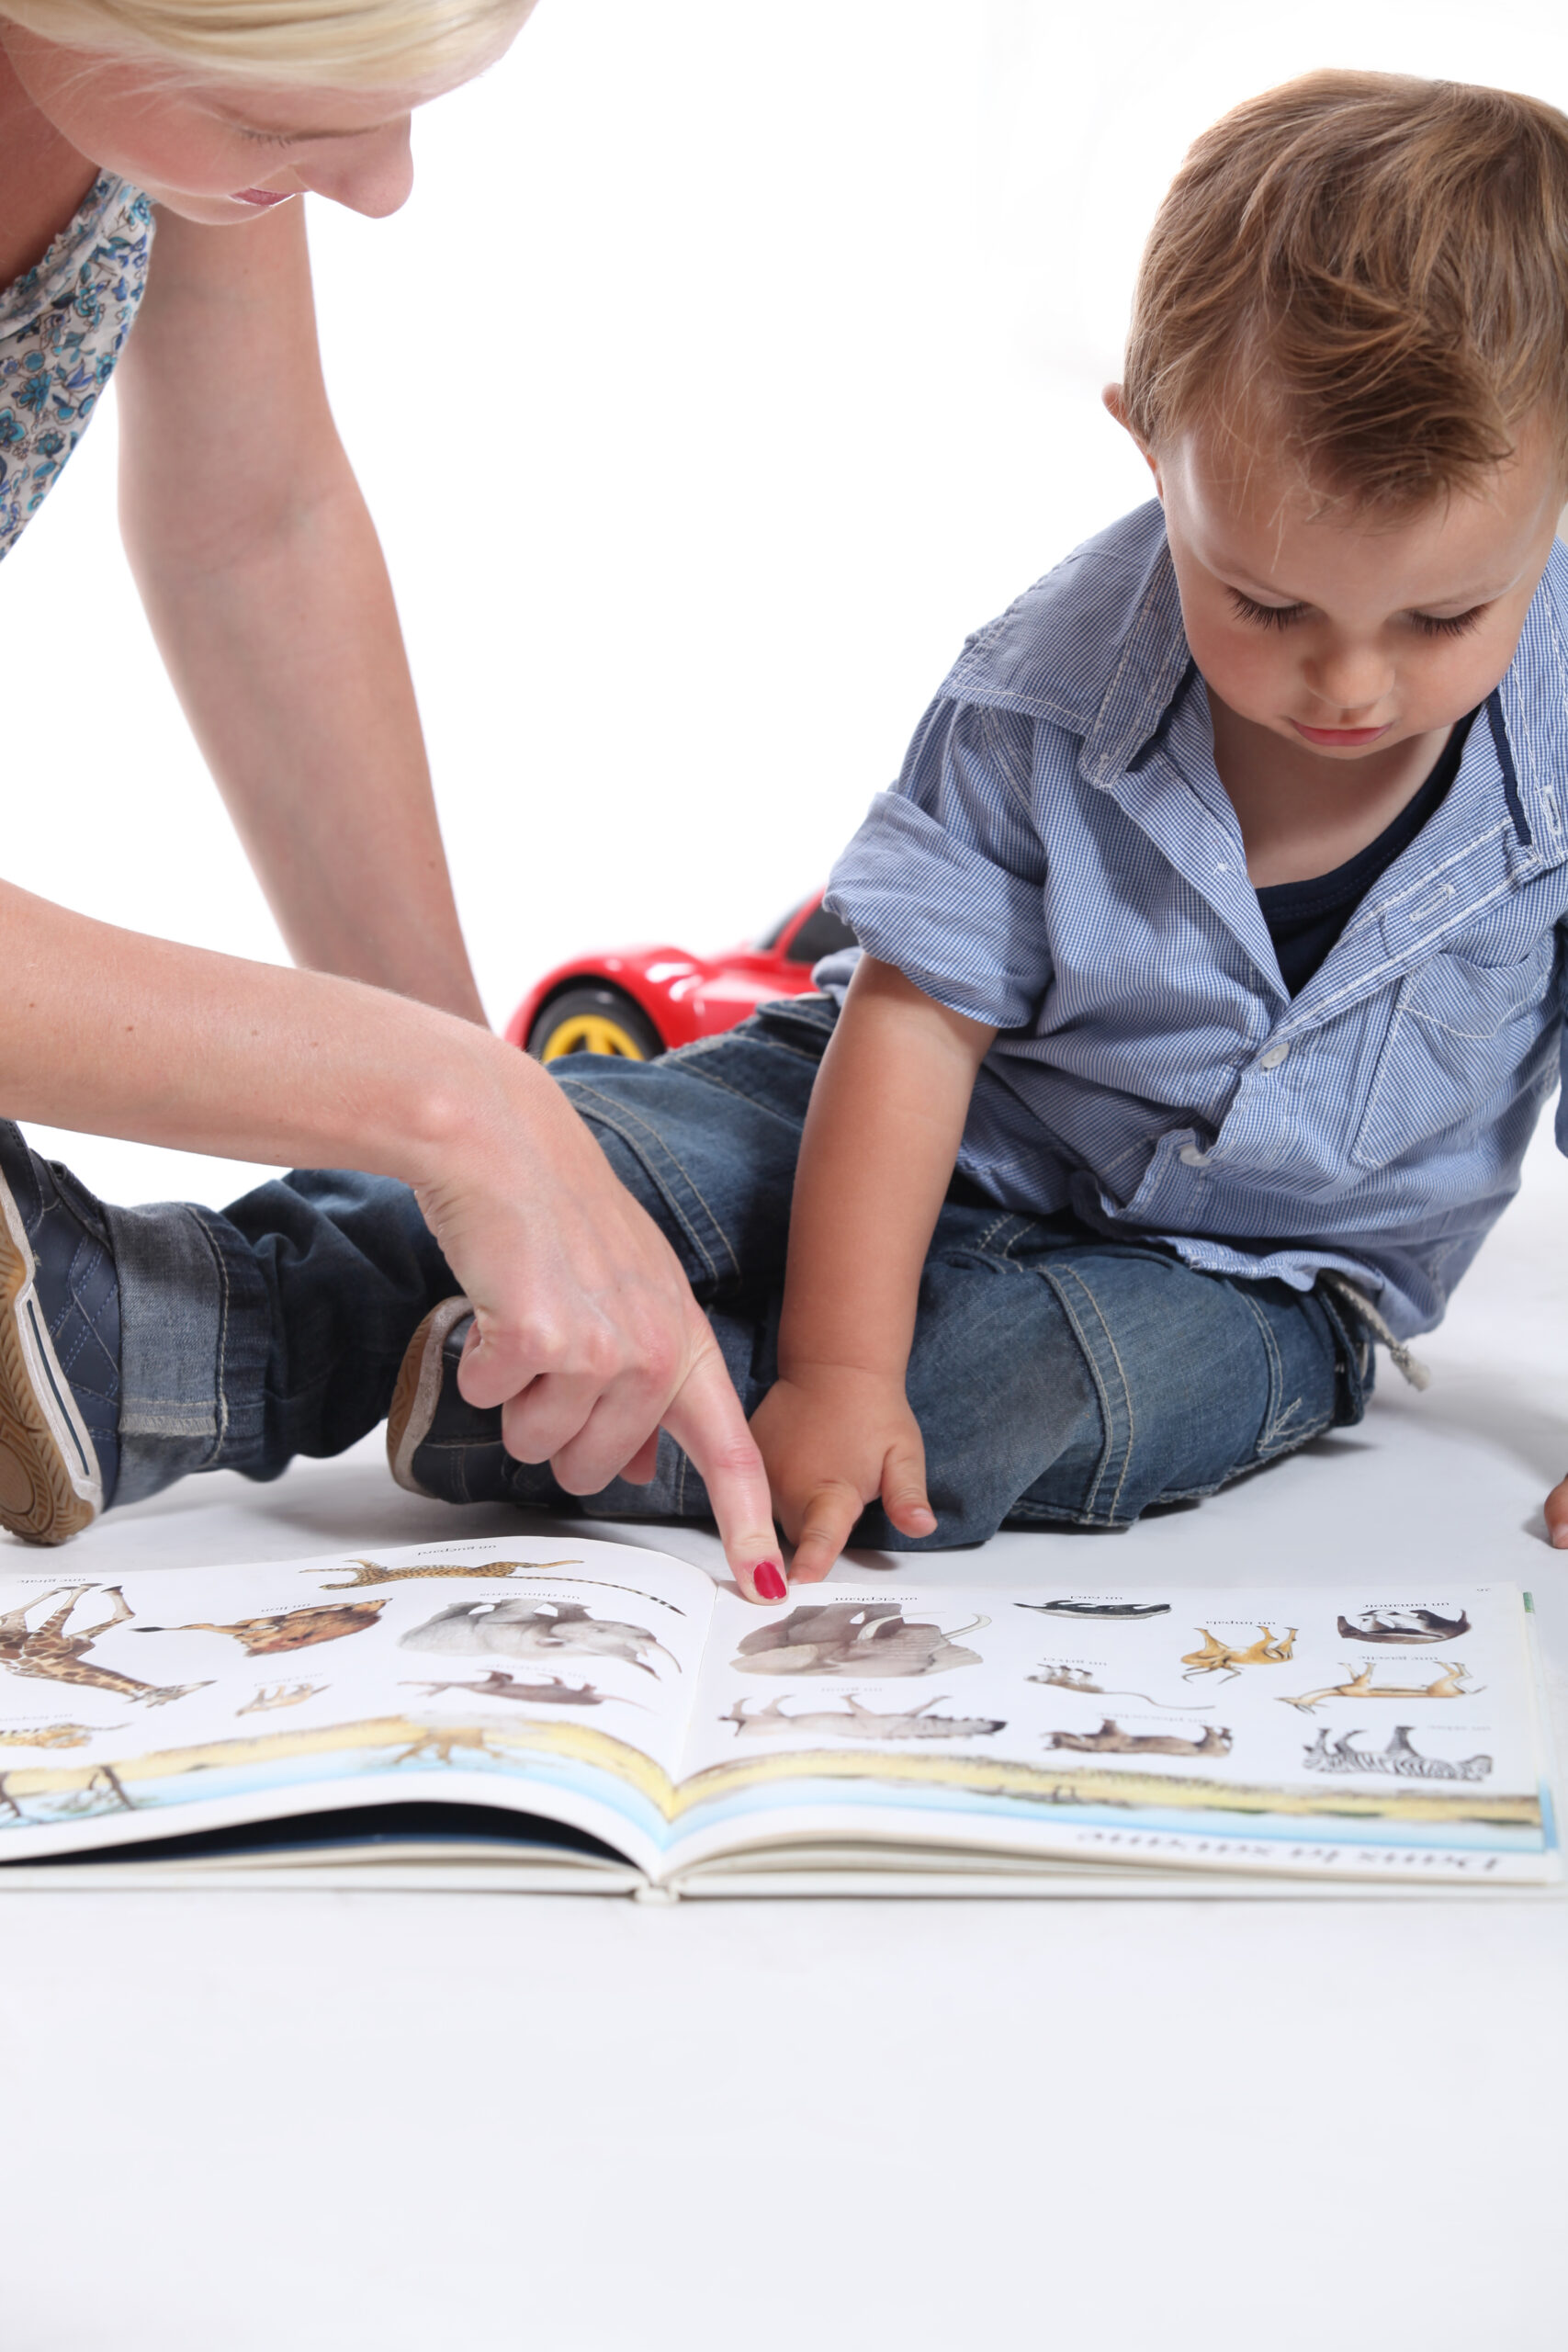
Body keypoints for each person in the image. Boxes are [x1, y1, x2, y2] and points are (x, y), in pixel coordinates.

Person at [380, 69, 1568, 1573]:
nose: (1348, 680)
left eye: (1443, 615)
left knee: (1020, 1398)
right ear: (1154, 447)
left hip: (1265, 1281)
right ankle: (163, 1318)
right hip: (942, 1127)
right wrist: (836, 1368)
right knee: (569, 1160)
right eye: (1266, 603)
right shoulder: (1041, 699)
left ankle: (517, 1405)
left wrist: (868, 1391)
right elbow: (913, 1028)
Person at [0, 0, 786, 1599]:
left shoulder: (133, 80)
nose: (387, 189)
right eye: (293, 126)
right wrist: (447, 1105)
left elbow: (256, 524)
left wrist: (487, 1170)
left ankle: (170, 1325)